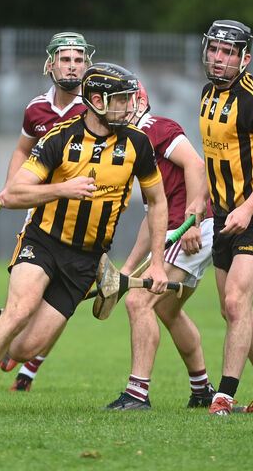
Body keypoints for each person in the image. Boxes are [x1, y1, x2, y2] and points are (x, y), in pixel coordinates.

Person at [0, 63, 169, 417]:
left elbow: (157, 202)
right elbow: (11, 195)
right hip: (44, 242)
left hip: (84, 261)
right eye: (122, 100)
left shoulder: (137, 144)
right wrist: (62, 189)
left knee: (23, 349)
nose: (130, 107)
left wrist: (157, 262)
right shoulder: (59, 139)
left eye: (131, 99)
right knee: (19, 310)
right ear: (96, 100)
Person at [187, 19, 253, 415]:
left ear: (245, 58)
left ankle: (223, 396)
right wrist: (200, 199)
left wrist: (248, 208)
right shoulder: (207, 93)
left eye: (228, 52)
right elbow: (214, 156)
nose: (219, 58)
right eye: (214, 49)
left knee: (234, 301)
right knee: (235, 309)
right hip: (224, 214)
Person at [101, 80, 217, 410]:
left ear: (137, 101)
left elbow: (196, 164)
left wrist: (193, 221)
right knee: (167, 309)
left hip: (188, 229)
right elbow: (152, 214)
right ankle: (202, 391)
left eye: (120, 100)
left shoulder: (155, 127)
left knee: (139, 302)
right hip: (174, 229)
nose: (113, 108)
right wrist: (125, 269)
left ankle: (137, 394)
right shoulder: (131, 142)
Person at [0, 31, 95, 392]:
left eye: (79, 59)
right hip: (41, 218)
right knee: (25, 302)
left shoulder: (96, 106)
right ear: (50, 64)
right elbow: (23, 149)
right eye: (65, 59)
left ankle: (27, 364)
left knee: (60, 303)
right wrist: (12, 187)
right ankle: (0, 343)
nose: (72, 66)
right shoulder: (36, 108)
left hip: (85, 223)